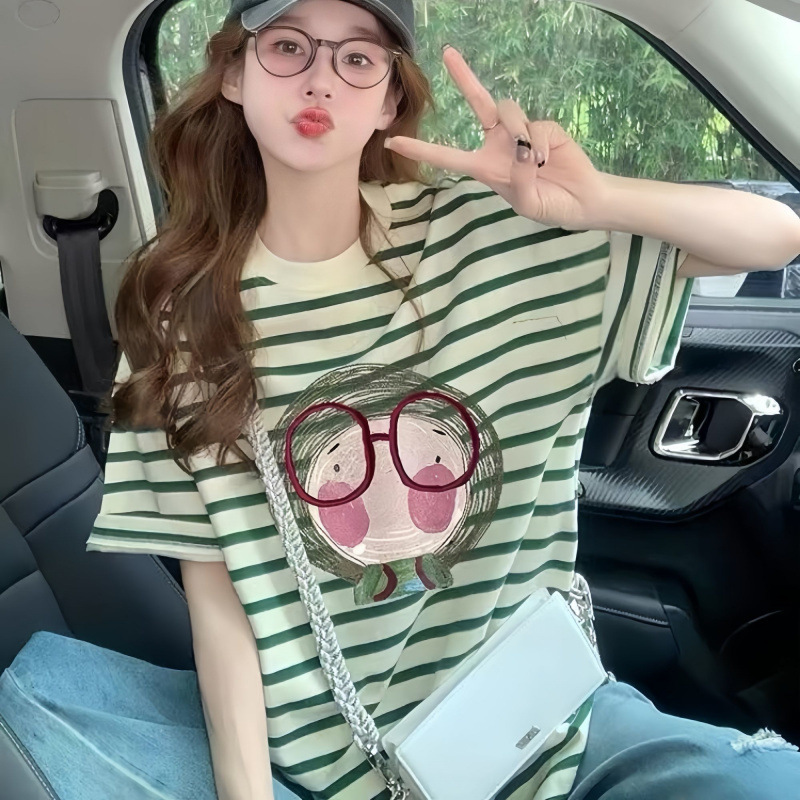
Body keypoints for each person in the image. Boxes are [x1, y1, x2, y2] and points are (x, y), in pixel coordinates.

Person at [2, 0, 799, 799]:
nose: (320, 80)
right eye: (288, 47)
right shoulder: (184, 311)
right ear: (236, 75)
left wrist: (599, 201)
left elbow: (772, 234)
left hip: (546, 728)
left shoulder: (501, 241)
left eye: (357, 59)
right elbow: (219, 593)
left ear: (389, 100)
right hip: (329, 765)